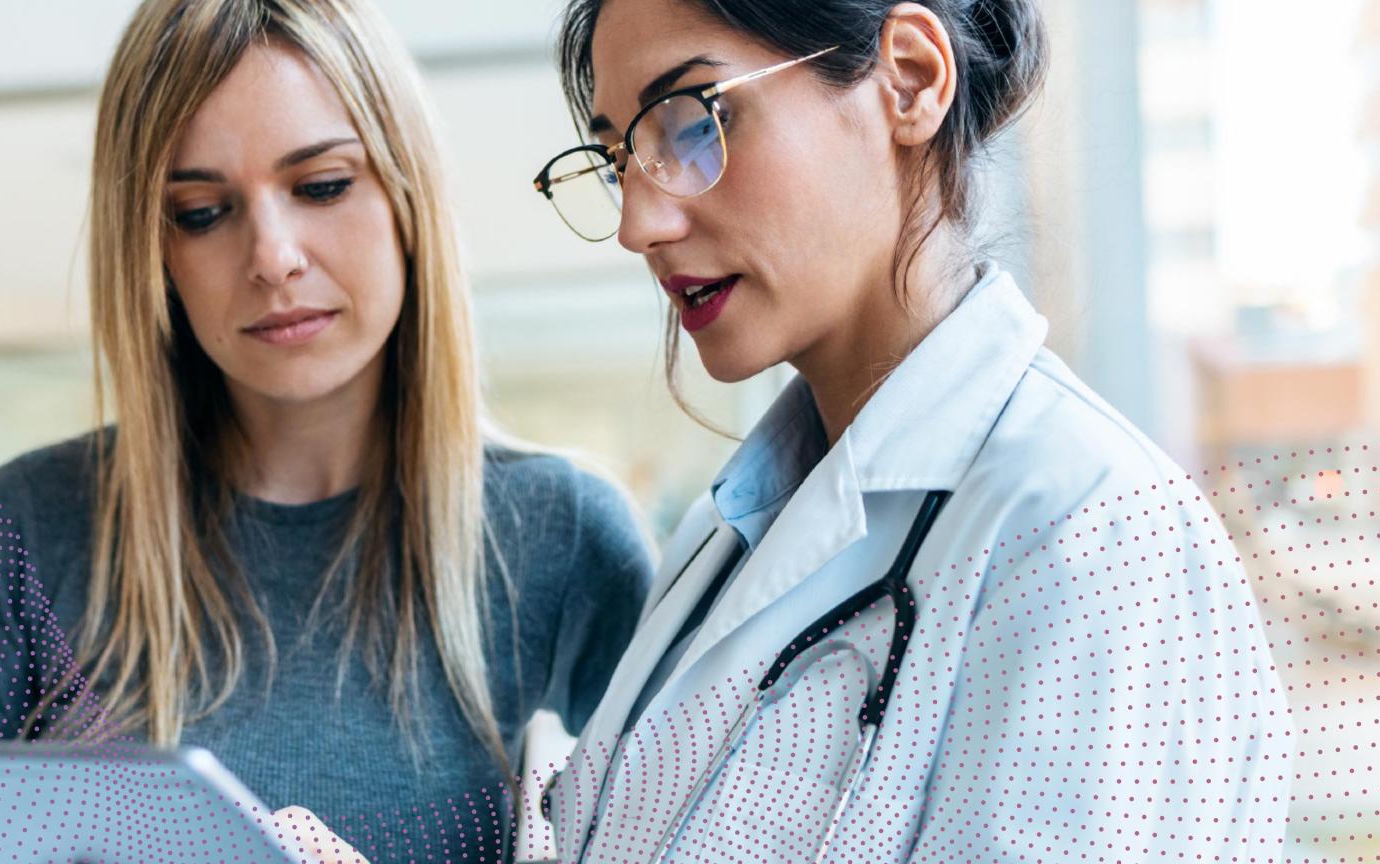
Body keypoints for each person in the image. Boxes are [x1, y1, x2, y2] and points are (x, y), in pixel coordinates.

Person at [281, 0, 1292, 861]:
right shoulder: (728, 539)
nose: (639, 221)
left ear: (907, 79)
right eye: (617, 154)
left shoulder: (1092, 538)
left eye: (691, 121)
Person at [0, 1, 654, 861]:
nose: (272, 257)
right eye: (200, 211)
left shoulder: (559, 531)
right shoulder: (32, 524)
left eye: (322, 186)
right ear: (154, 252)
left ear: (406, 196)